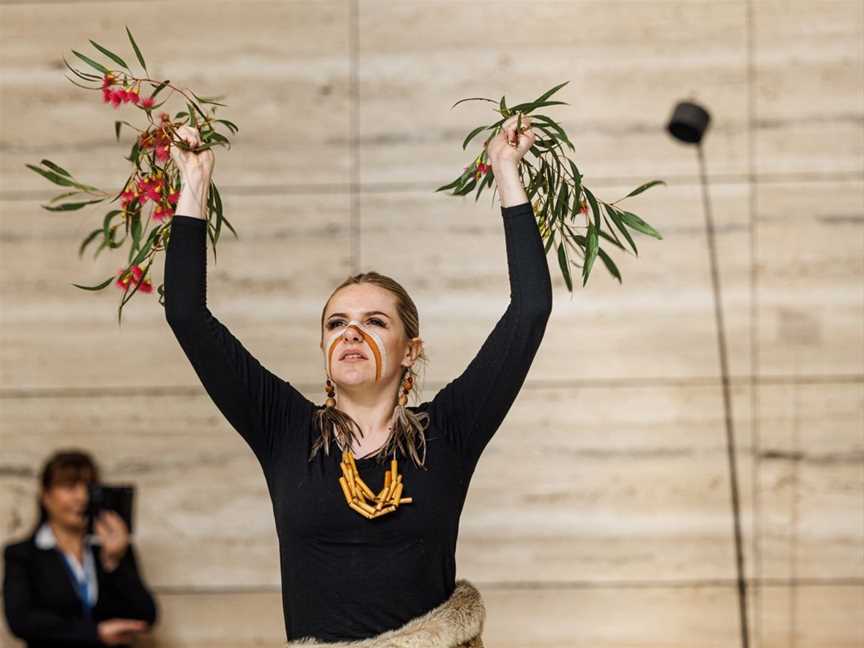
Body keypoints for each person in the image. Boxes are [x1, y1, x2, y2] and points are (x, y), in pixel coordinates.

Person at [164, 113, 551, 647]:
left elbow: (529, 309)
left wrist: (506, 170)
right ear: (324, 347)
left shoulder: (449, 431)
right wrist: (194, 182)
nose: (351, 334)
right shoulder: (284, 429)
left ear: (410, 352)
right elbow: (186, 313)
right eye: (336, 323)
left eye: (374, 322)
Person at [3, 450, 158, 647]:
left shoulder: (111, 549)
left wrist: (114, 563)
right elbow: (21, 621)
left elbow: (146, 616)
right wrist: (94, 633)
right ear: (46, 496)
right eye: (70, 487)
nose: (82, 497)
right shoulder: (23, 554)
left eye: (88, 488)